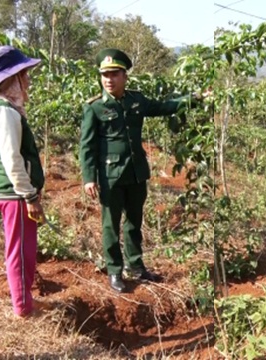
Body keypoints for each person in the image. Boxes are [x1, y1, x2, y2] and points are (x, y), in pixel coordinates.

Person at [80, 48, 200, 293]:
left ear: (125, 76)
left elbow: (164, 106)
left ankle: (136, 267)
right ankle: (115, 271)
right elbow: (87, 145)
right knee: (111, 226)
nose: (108, 80)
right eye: (104, 75)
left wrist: (193, 98)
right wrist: (89, 177)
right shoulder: (94, 107)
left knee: (134, 222)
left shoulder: (137, 100)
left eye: (114, 74)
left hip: (136, 173)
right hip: (110, 176)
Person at [0, 46, 45, 317]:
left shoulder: (4, 108)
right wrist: (28, 195)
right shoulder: (4, 112)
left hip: (17, 194)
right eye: (23, 75)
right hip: (15, 194)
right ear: (12, 80)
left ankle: (25, 300)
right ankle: (22, 307)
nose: (27, 81)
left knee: (26, 249)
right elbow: (11, 159)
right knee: (20, 252)